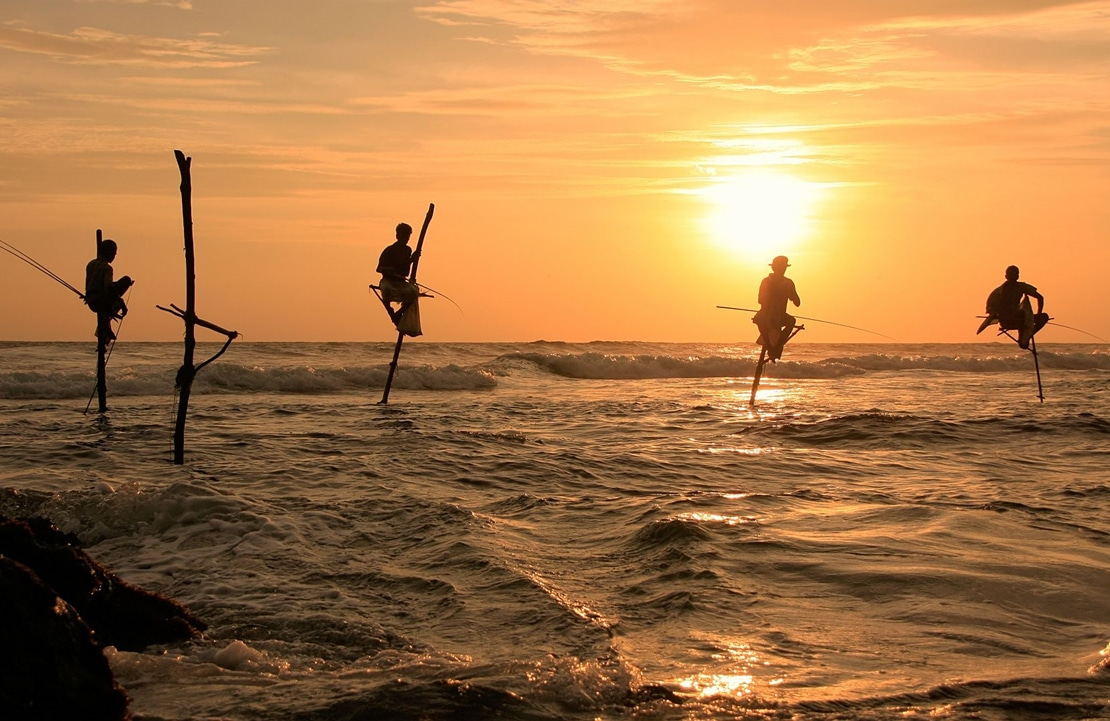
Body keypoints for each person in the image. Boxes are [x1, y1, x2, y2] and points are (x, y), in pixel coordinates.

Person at [84, 239, 133, 347]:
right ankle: (105, 323)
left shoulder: (90, 264)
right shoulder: (107, 268)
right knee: (126, 279)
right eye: (114, 253)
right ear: (109, 253)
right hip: (102, 302)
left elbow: (97, 284)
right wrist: (122, 304)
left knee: (123, 284)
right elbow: (108, 287)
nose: (115, 255)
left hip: (92, 303)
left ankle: (104, 327)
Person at [985, 265, 1047, 349]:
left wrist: (1037, 315)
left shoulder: (1021, 287)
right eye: (1012, 274)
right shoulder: (998, 292)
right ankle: (1025, 335)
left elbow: (1040, 298)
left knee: (1043, 317)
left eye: (1015, 274)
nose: (1014, 276)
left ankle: (1027, 335)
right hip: (1009, 321)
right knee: (1022, 315)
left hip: (1019, 319)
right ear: (1006, 276)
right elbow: (991, 311)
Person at [753, 255, 800, 361]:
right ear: (774, 268)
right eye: (779, 267)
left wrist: (789, 292)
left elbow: (797, 302)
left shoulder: (788, 283)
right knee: (759, 320)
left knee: (791, 321)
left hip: (780, 315)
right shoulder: (766, 281)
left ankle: (777, 345)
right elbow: (760, 300)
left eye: (783, 267)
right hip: (766, 313)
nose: (782, 270)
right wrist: (773, 294)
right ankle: (769, 346)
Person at [376, 223, 420, 325]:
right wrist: (388, 270)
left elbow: (405, 268)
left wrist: (412, 260)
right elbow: (378, 268)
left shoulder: (407, 250)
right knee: (386, 290)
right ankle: (391, 313)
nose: (406, 239)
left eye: (407, 236)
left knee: (414, 292)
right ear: (397, 236)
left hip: (401, 281)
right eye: (403, 236)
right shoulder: (389, 250)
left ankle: (398, 313)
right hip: (388, 281)